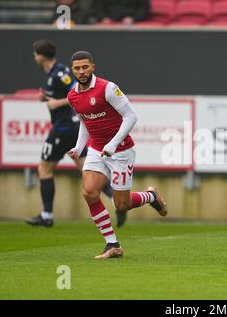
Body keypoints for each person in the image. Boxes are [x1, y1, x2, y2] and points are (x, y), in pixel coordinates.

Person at [66, 50, 167, 259]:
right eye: (77, 68)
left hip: (120, 152)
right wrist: (78, 147)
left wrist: (112, 144)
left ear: (93, 67)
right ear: (73, 70)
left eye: (85, 67)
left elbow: (131, 116)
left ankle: (151, 196)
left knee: (122, 204)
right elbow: (85, 122)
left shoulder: (108, 88)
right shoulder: (73, 96)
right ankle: (112, 244)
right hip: (96, 149)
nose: (81, 71)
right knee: (89, 192)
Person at [25, 39, 127, 228]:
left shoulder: (61, 73)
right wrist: (46, 98)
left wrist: (56, 103)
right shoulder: (53, 74)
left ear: (40, 56)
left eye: (35, 55)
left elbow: (77, 92)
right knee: (86, 172)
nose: (34, 58)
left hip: (64, 128)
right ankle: (117, 201)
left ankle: (46, 215)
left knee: (44, 169)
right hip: (73, 129)